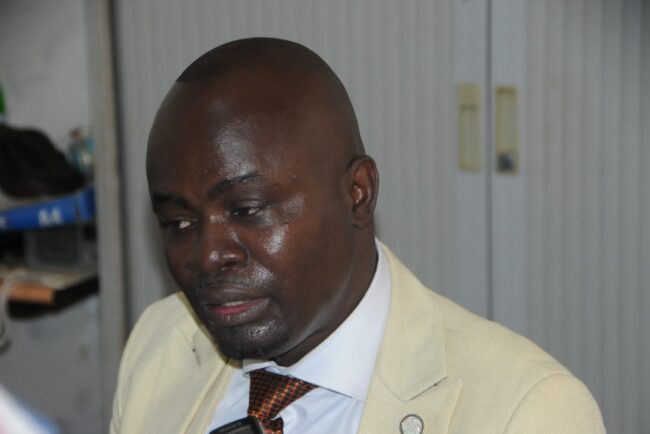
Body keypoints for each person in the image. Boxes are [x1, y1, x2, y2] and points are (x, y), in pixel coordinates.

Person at [110, 38, 605, 434]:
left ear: (357, 193)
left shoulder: (525, 411)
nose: (209, 254)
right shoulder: (161, 343)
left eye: (248, 210)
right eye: (179, 223)